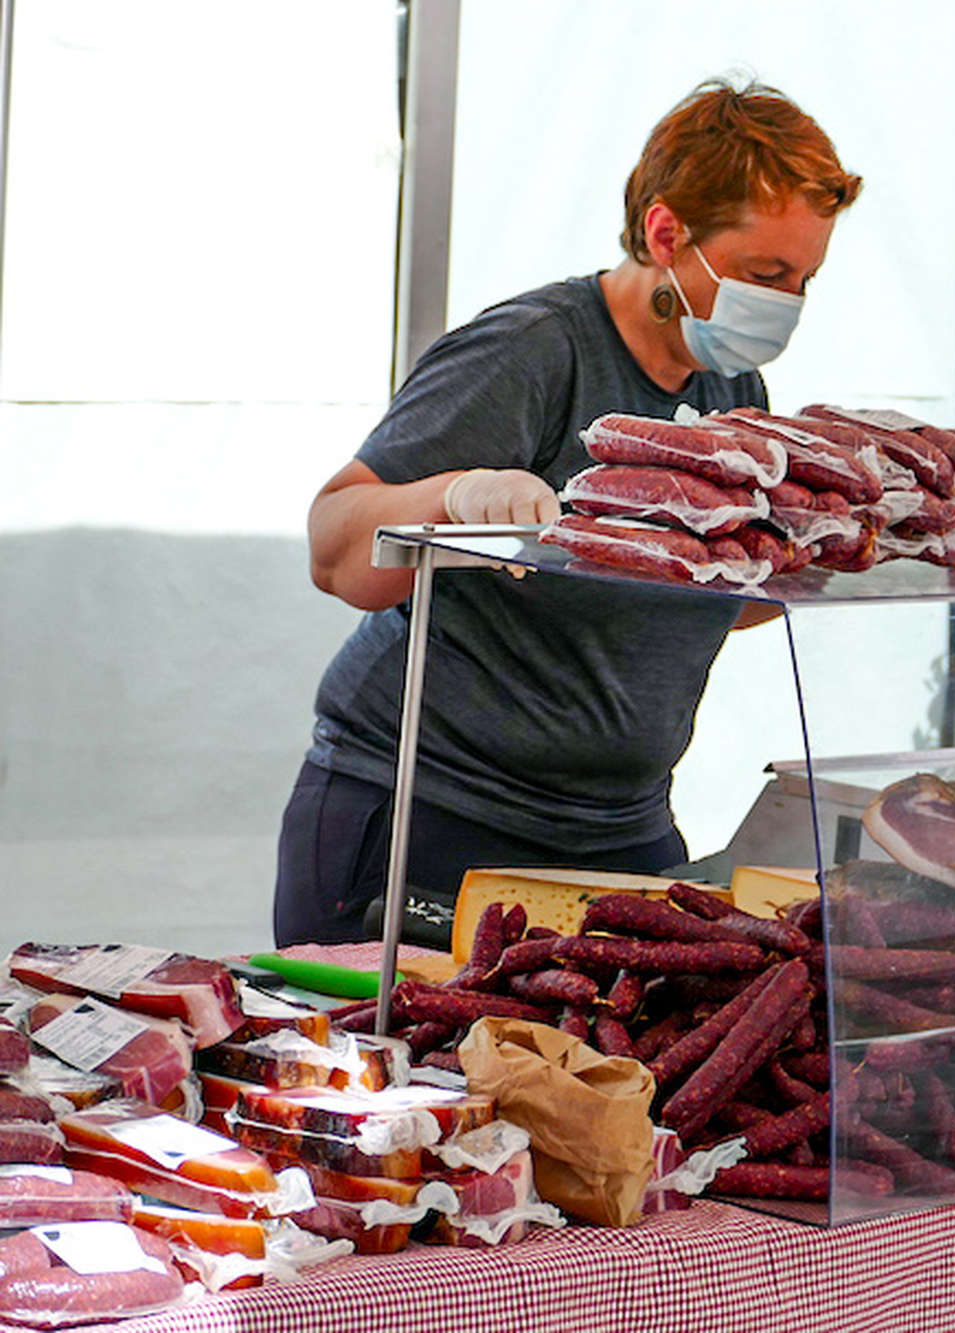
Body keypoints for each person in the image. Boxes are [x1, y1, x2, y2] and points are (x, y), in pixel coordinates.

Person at [274, 80, 862, 945]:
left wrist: (818, 549)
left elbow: (690, 604)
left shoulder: (734, 388)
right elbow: (334, 546)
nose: (787, 304)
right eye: (766, 275)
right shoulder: (536, 351)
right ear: (666, 234)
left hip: (620, 829)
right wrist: (456, 495)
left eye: (805, 279)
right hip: (435, 814)